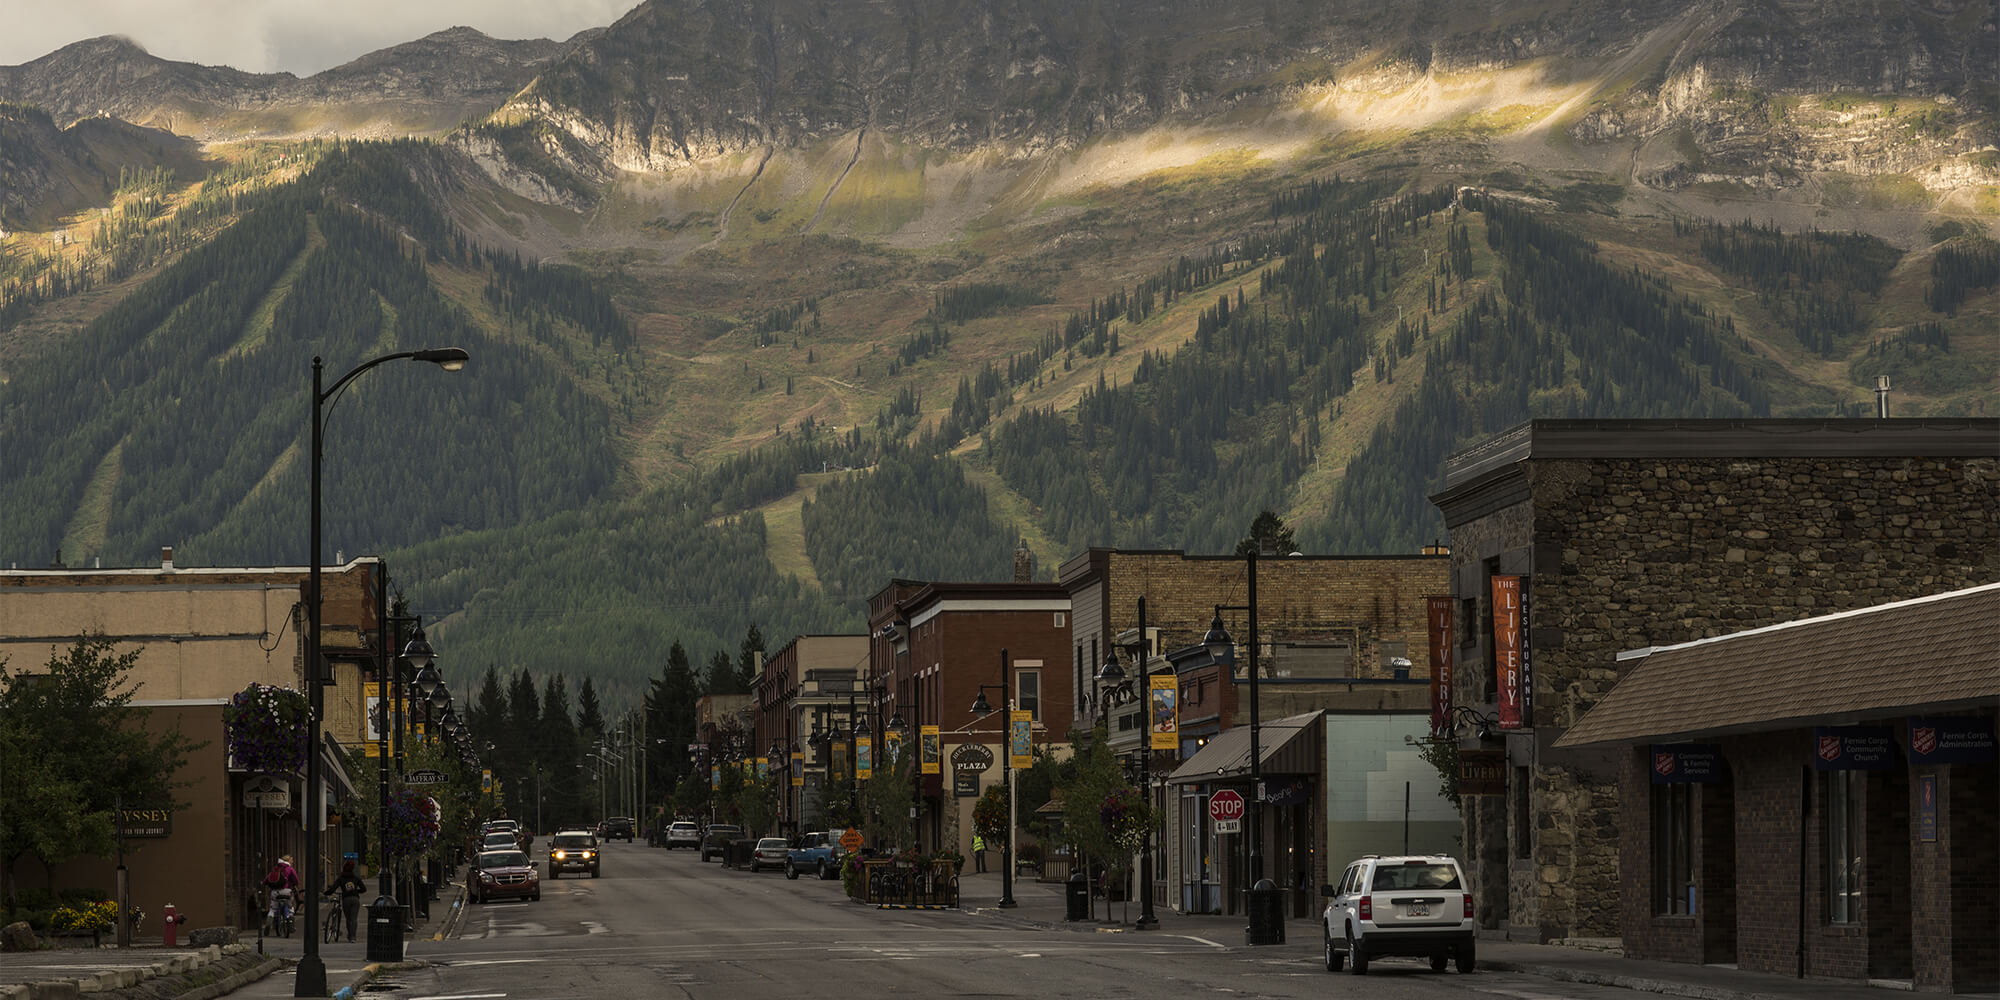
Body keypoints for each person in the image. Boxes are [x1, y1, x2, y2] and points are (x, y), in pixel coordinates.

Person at [324, 860, 366, 942]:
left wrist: (326, 893)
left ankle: (350, 935)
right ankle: (352, 937)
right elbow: (364, 889)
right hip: (355, 899)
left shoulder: (341, 878)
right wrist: (356, 891)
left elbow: (332, 888)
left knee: (348, 918)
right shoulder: (355, 878)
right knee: (354, 918)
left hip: (346, 899)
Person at [263, 855, 299, 935]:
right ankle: (290, 924)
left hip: (275, 892)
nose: (292, 862)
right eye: (291, 860)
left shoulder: (275, 869)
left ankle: (269, 921)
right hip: (286, 891)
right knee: (290, 908)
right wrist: (293, 884)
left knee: (273, 909)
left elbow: (265, 881)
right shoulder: (289, 869)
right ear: (288, 860)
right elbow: (296, 880)